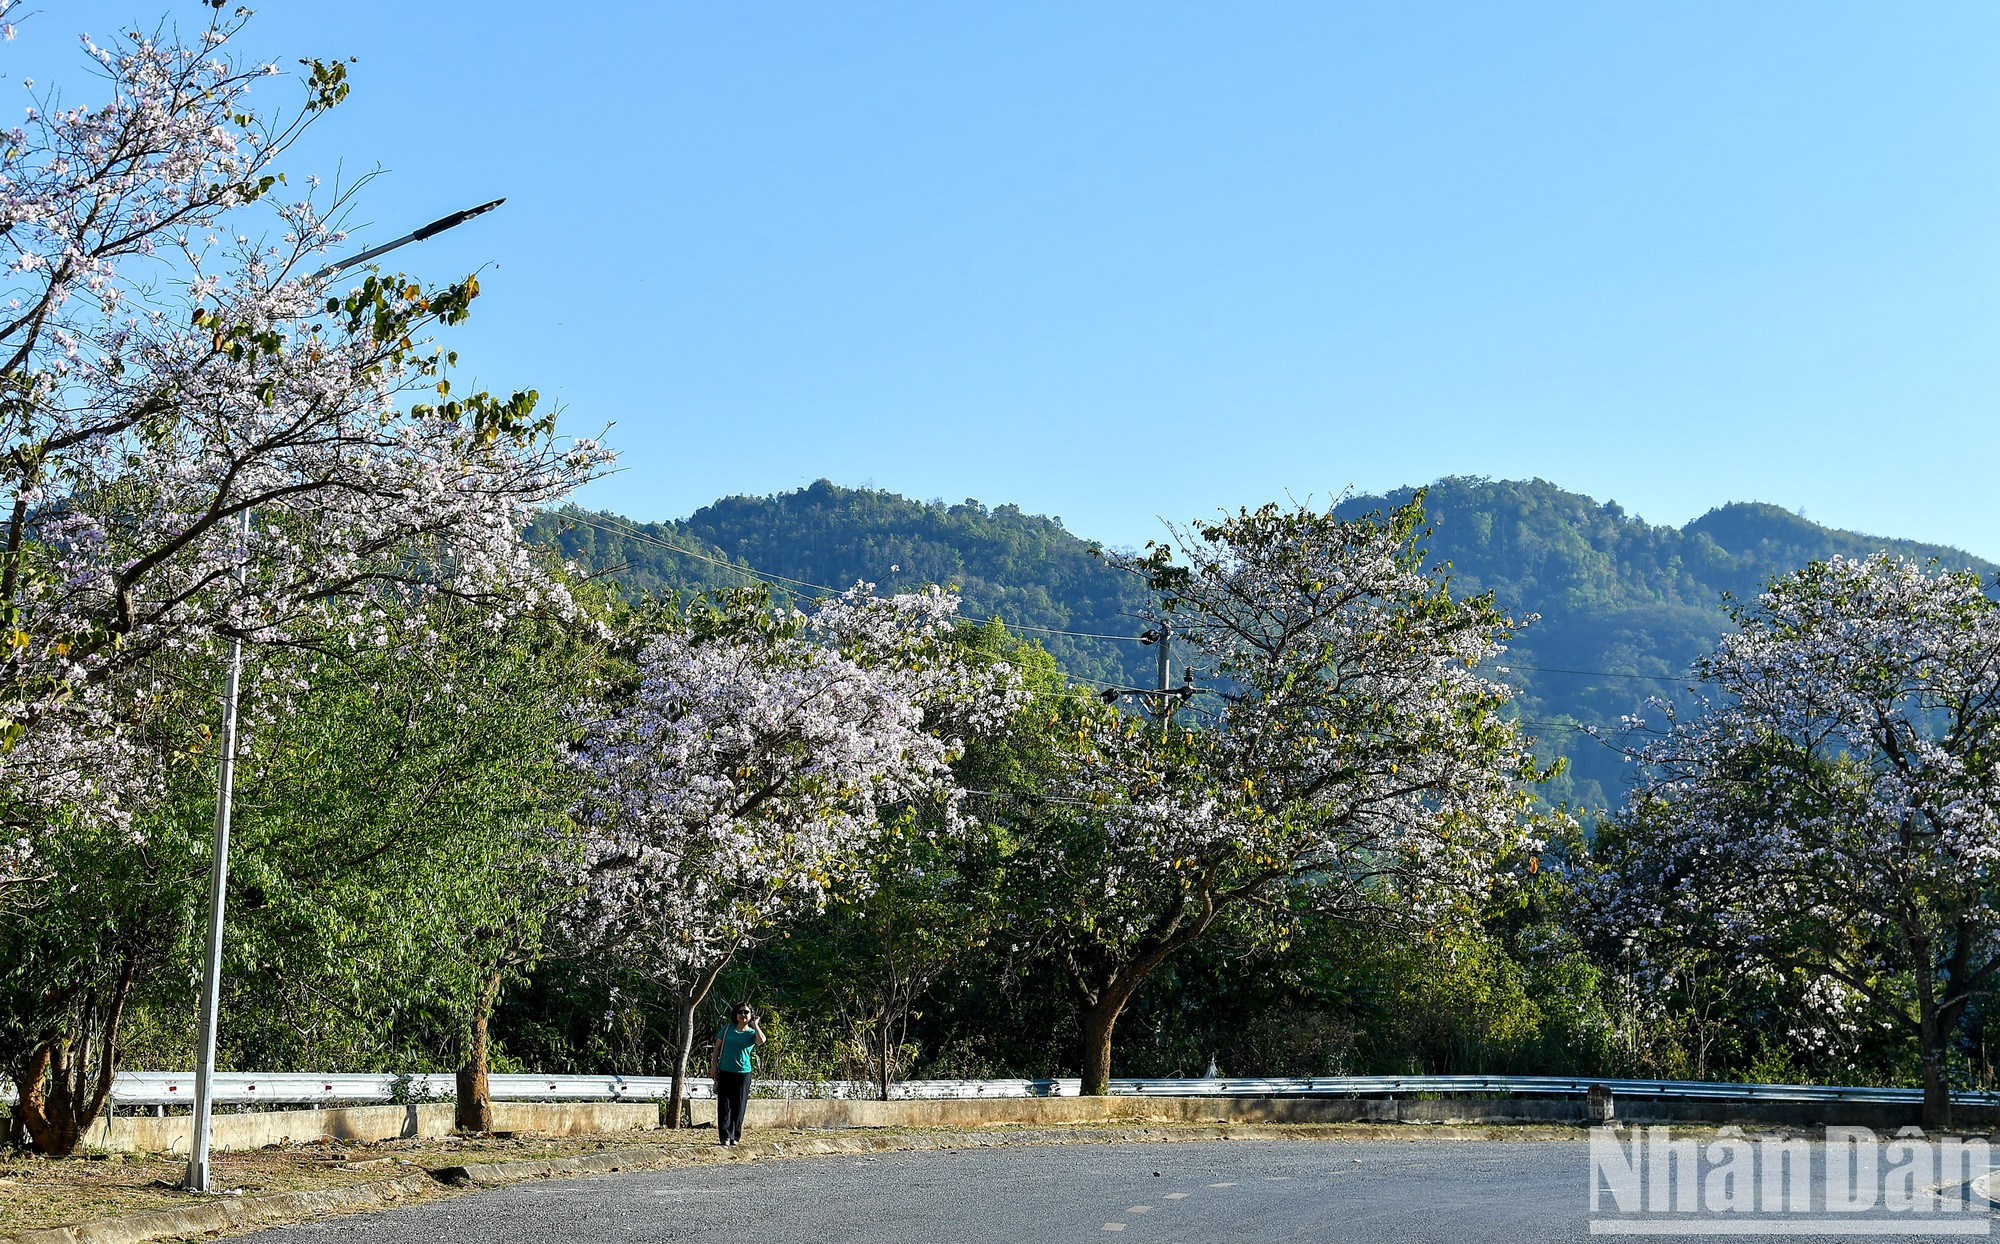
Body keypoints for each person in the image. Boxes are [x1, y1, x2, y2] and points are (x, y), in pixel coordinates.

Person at [710, 1002, 765, 1145]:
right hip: (725, 1071)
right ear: (735, 1014)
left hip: (743, 1073)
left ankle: (735, 1136)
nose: (743, 1015)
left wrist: (755, 1025)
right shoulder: (727, 1029)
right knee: (724, 1105)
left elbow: (762, 1041)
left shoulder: (752, 1033)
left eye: (746, 1012)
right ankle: (725, 1136)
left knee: (739, 1105)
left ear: (751, 1015)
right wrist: (713, 1067)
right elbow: (717, 1048)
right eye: (740, 1012)